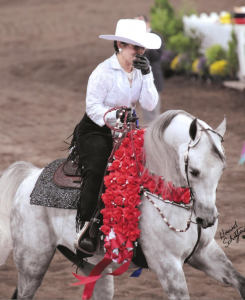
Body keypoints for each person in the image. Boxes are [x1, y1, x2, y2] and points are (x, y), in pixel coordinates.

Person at [73, 19, 161, 253]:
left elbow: (150, 103)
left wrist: (148, 73)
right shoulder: (103, 72)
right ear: (120, 44)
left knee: (151, 166)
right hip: (96, 129)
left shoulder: (141, 71)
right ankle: (87, 226)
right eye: (136, 47)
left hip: (127, 129)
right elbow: (92, 107)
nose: (140, 52)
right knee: (99, 167)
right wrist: (114, 118)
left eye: (142, 48)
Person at [135, 14, 164, 124]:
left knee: (152, 114)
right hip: (137, 80)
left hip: (153, 79)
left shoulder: (156, 37)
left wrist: (146, 46)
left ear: (148, 24)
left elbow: (157, 56)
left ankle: (156, 137)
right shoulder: (134, 37)